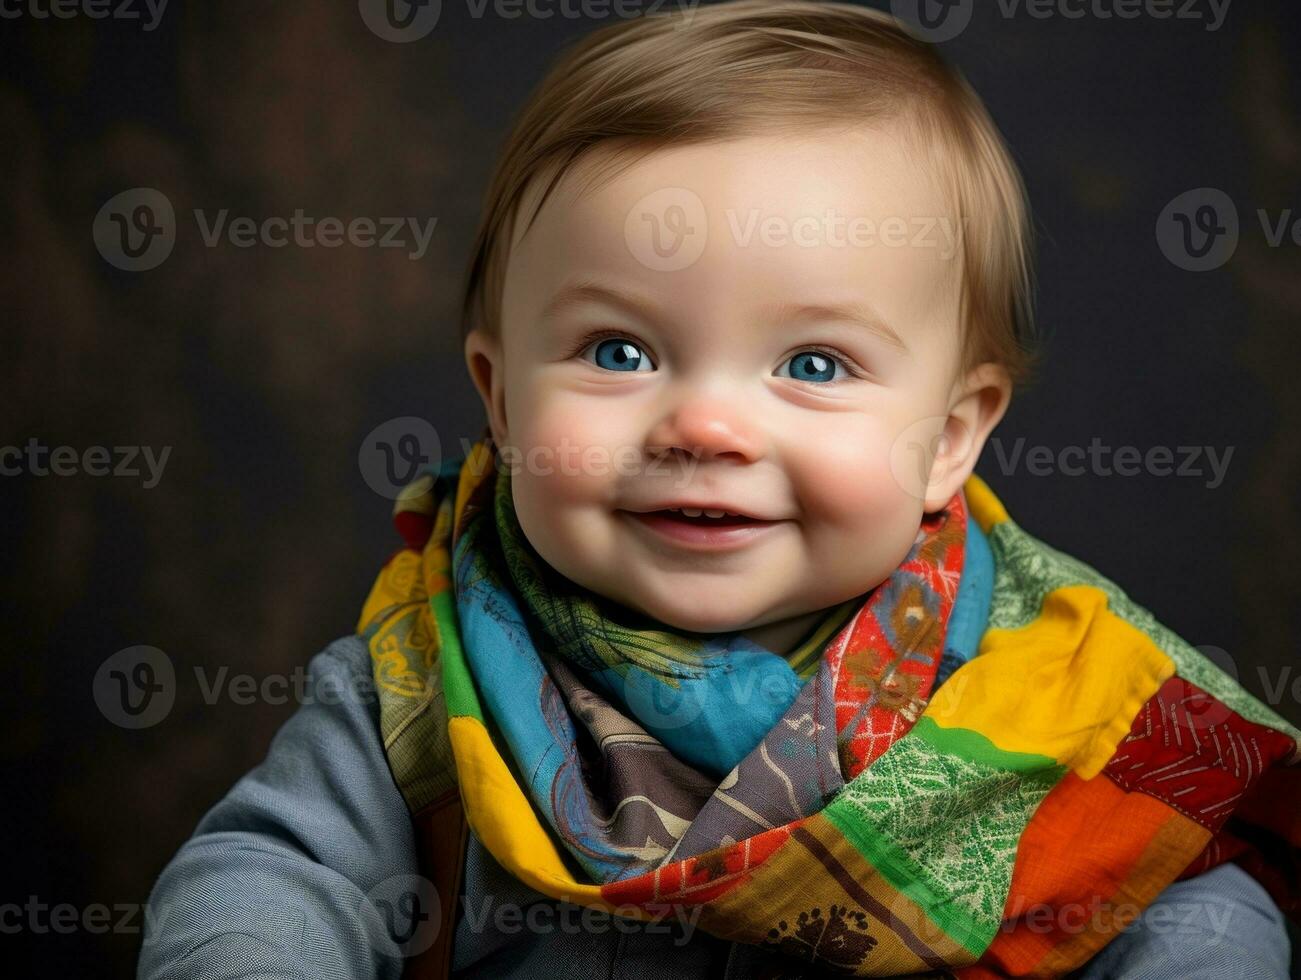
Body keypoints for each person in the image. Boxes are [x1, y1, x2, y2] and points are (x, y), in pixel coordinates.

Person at [138, 2, 1299, 977]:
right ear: (497, 397)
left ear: (947, 438)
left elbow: (1187, 896)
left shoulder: (1052, 694)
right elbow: (271, 870)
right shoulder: (415, 678)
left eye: (811, 364)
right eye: (618, 351)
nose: (702, 422)